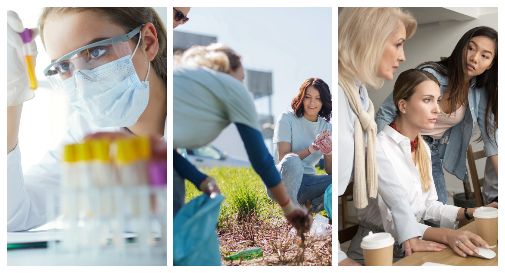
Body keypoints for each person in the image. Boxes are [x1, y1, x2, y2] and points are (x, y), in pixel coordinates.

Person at [7, 8, 167, 231]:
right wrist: (10, 99)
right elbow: (12, 216)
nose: (81, 82)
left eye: (96, 52)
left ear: (148, 42)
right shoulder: (86, 134)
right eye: (64, 67)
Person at [348, 69, 497, 263]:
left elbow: (428, 206)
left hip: (414, 243)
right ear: (403, 105)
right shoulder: (379, 148)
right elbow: (394, 221)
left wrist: (469, 212)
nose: (437, 109)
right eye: (427, 100)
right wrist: (445, 234)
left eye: (437, 100)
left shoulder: (422, 149)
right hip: (376, 251)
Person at [173, 43, 311, 233]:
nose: (242, 84)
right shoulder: (231, 87)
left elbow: (164, 152)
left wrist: (202, 180)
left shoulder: (184, 77)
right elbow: (261, 159)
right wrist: (289, 208)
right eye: (242, 78)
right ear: (230, 70)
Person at [338, 7, 434, 266]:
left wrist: (409, 232)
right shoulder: (337, 96)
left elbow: (384, 175)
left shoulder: (361, 100)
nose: (403, 56)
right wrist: (338, 259)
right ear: (370, 39)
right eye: (398, 44)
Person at [376, 26, 498, 205]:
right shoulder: (430, 75)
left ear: (491, 64)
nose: (474, 58)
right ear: (461, 47)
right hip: (402, 144)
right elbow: (386, 112)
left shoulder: (478, 92)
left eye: (485, 56)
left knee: (438, 213)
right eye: (471, 48)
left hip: (431, 152)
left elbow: (491, 139)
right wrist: (382, 152)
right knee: (397, 210)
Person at [272, 78, 332, 213]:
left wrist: (328, 153)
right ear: (301, 98)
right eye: (308, 97)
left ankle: (308, 210)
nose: (312, 103)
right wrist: (311, 148)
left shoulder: (327, 128)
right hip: (281, 181)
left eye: (318, 98)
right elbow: (284, 159)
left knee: (338, 181)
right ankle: (295, 213)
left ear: (324, 101)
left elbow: (330, 171)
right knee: (292, 160)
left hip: (308, 183)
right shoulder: (286, 118)